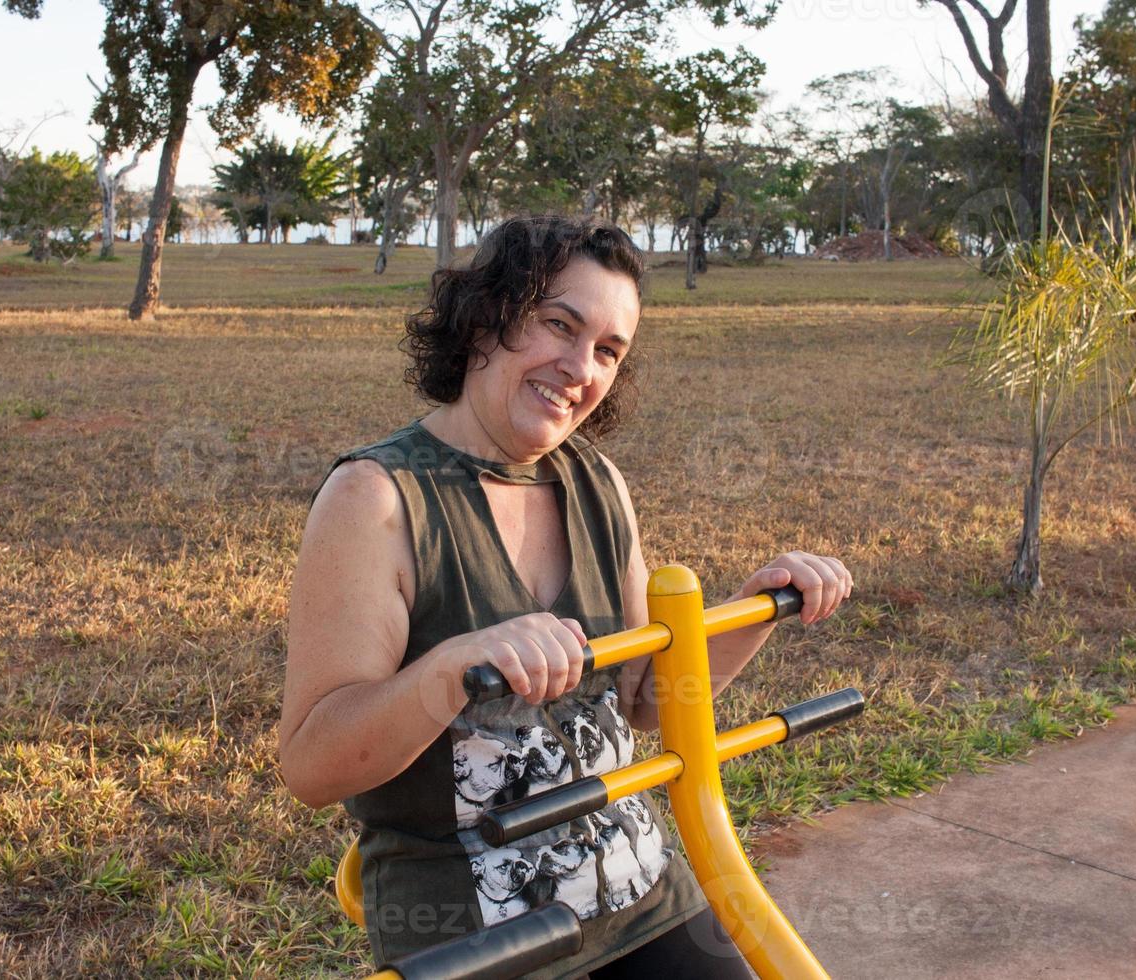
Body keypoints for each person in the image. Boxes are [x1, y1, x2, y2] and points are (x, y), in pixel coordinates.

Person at [278, 215, 853, 979]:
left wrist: (759, 608)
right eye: (560, 324)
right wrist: (451, 667)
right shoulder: (376, 500)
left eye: (609, 351)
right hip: (471, 926)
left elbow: (647, 702)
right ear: (488, 314)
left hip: (638, 893)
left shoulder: (597, 485)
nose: (581, 367)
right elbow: (313, 766)